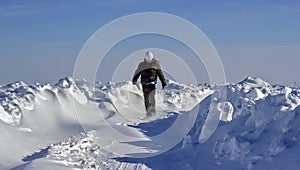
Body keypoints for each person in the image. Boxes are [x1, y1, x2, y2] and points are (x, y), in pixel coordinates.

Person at [132, 51, 167, 117]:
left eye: (150, 60)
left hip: (152, 84)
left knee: (152, 98)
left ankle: (153, 112)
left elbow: (160, 74)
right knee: (146, 99)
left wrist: (163, 83)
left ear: (152, 59)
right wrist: (134, 79)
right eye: (147, 60)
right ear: (145, 59)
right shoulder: (141, 65)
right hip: (144, 84)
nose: (148, 61)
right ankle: (148, 114)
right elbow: (137, 72)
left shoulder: (155, 65)